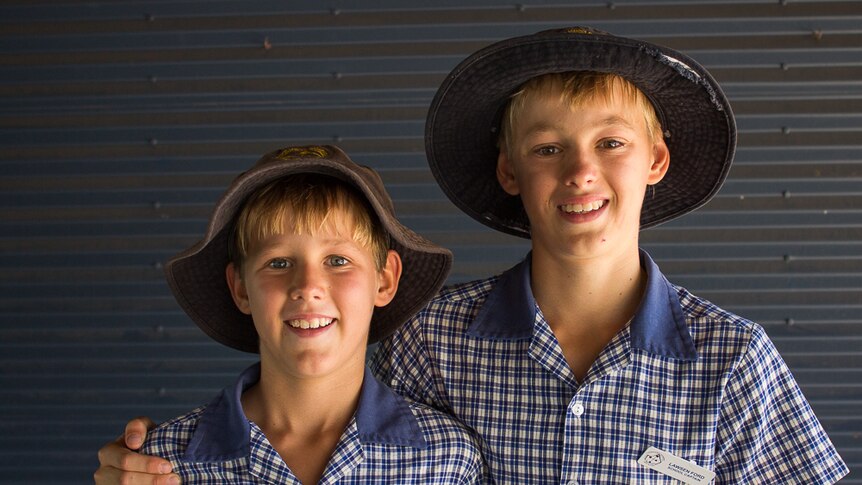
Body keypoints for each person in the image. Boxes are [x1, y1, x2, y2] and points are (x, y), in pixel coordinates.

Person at [96, 27, 849, 483]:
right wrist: (150, 461)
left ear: (655, 158)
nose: (581, 172)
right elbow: (321, 410)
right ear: (510, 172)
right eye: (548, 147)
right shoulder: (433, 341)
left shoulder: (732, 360)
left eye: (610, 144)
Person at [94, 145, 484, 484]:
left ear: (384, 281)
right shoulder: (159, 466)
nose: (308, 285)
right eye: (278, 262)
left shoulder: (446, 460)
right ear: (241, 288)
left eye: (337, 260)